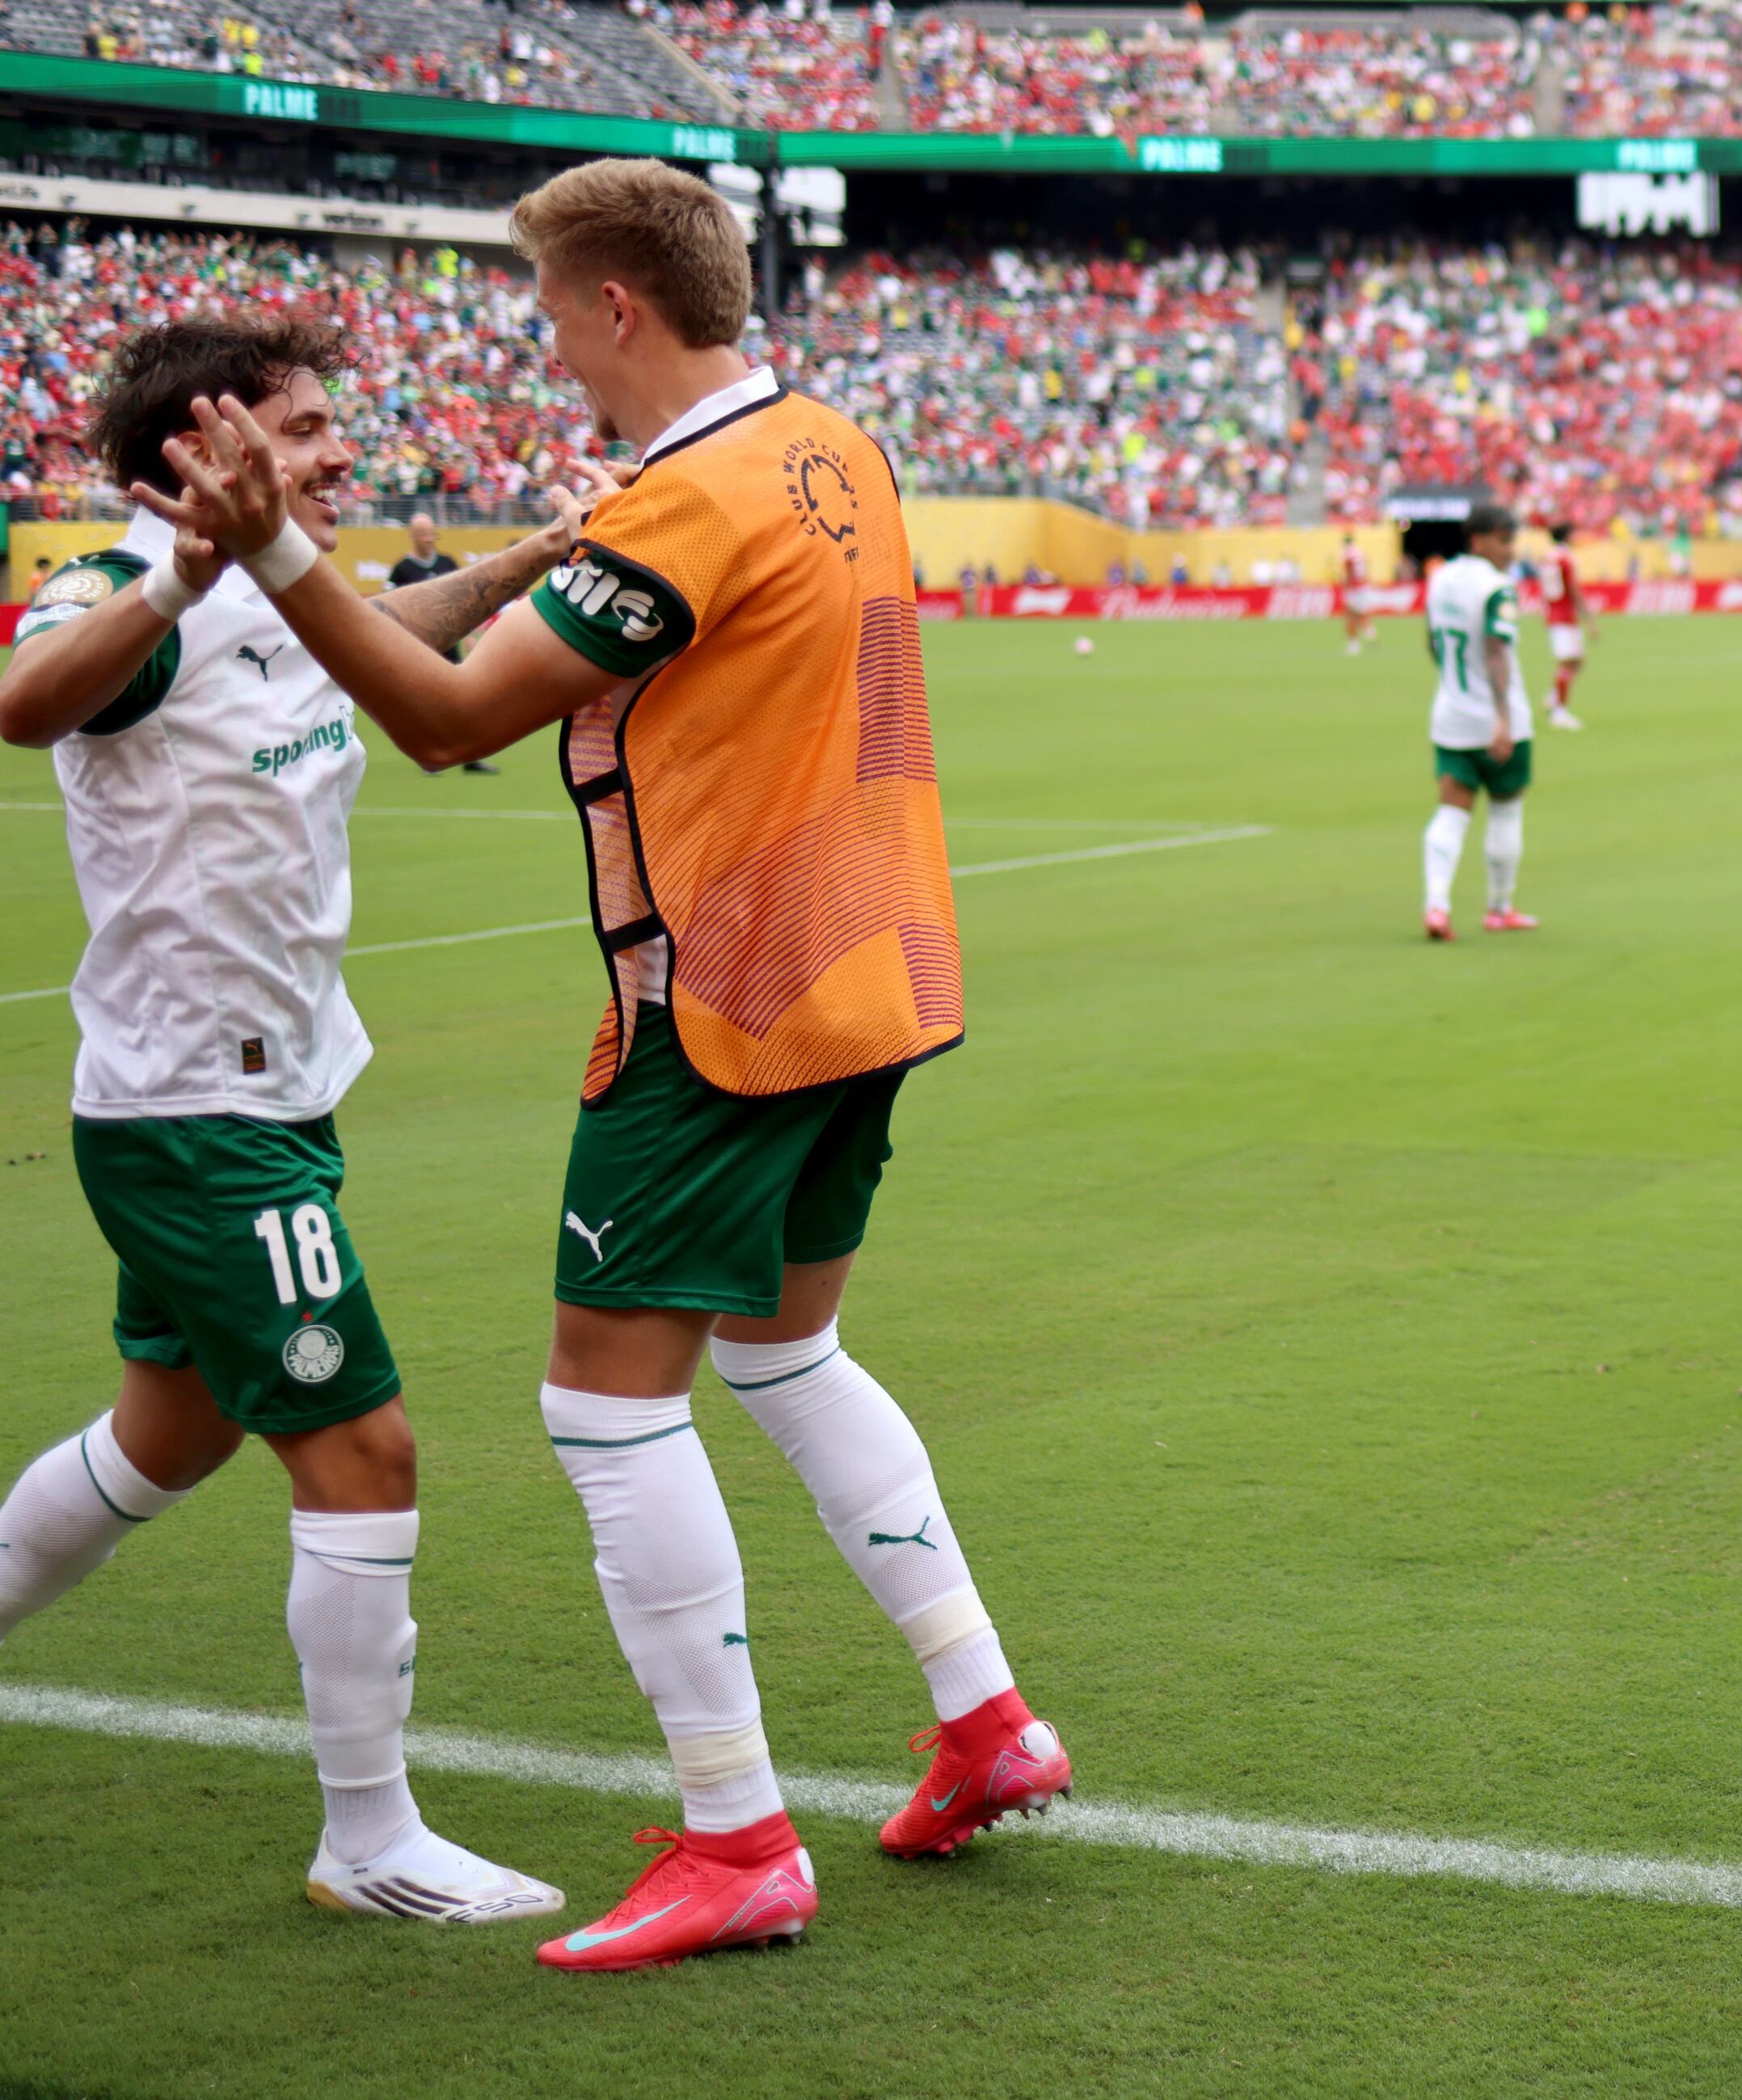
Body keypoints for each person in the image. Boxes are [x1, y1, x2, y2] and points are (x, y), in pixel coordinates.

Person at [133, 158, 1069, 1973]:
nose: (540, 336)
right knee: (788, 1349)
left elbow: (447, 718)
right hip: (877, 970)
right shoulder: (833, 443)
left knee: (607, 1403)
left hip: (719, 1003)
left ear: (615, 307)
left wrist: (273, 549)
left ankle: (734, 1832)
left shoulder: (684, 505)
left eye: (549, 305)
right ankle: (981, 1715)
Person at [0, 314, 582, 1928]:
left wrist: (536, 556)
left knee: (168, 1434)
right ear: (208, 449)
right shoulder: (129, 592)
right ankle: (369, 1838)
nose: (344, 450)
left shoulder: (278, 588)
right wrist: (179, 578)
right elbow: (27, 699)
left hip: (263, 1096)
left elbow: (404, 622)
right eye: (310, 427)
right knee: (365, 1445)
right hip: (201, 1115)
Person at [1419, 502, 1535, 937]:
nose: (1511, 550)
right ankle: (1500, 907)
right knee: (1506, 812)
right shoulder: (1497, 587)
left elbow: (1432, 643)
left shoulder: (1440, 579)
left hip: (1450, 717)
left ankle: (1436, 904)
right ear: (1480, 539)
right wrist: (1503, 719)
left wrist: (1455, 686)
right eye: (1504, 541)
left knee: (1450, 814)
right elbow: (1495, 651)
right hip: (1497, 722)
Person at [383, 513, 502, 771]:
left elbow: (464, 604)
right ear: (413, 536)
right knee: (422, 703)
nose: (428, 539)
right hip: (417, 646)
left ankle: (471, 758)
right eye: (422, 533)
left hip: (449, 644)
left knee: (465, 699)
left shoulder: (448, 563)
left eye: (431, 533)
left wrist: (470, 634)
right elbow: (388, 609)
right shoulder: (402, 569)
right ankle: (427, 755)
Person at [1540, 534, 1590, 729]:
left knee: (1577, 661)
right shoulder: (1565, 559)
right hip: (1565, 616)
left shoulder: (1548, 558)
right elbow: (1572, 587)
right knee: (1568, 663)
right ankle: (1559, 713)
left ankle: (1554, 697)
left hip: (1554, 613)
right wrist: (1589, 619)